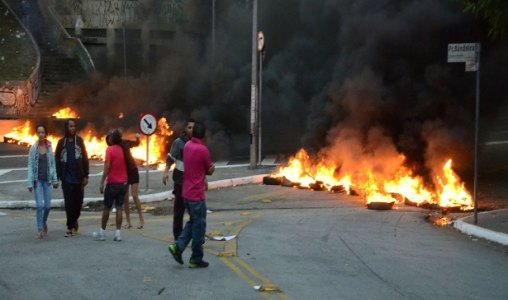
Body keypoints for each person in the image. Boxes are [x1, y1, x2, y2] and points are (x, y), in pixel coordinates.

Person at [168, 122, 215, 268]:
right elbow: (209, 169)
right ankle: (196, 257)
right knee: (199, 226)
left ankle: (178, 247)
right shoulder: (203, 150)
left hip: (186, 192)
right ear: (204, 135)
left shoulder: (187, 146)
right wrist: (212, 168)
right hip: (196, 194)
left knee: (193, 222)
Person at [55, 119, 89, 237]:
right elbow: (57, 160)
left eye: (74, 126)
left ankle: (74, 220)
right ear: (66, 128)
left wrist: (86, 175)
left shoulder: (79, 141)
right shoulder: (61, 143)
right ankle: (69, 227)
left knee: (78, 203)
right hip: (67, 179)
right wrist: (58, 175)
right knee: (69, 204)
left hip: (78, 178)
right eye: (70, 126)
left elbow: (85, 158)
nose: (73, 128)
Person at [163, 119, 194, 241]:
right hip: (180, 181)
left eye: (194, 128)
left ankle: (194, 235)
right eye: (190, 127)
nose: (192, 130)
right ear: (185, 129)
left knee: (194, 212)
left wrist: (204, 180)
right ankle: (178, 237)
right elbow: (171, 158)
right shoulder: (178, 143)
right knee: (179, 211)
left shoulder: (196, 143)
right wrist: (165, 172)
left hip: (192, 182)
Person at [94, 129, 128, 241]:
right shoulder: (123, 150)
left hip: (112, 184)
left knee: (107, 208)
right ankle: (118, 234)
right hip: (123, 184)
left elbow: (107, 167)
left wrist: (102, 181)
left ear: (113, 139)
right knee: (119, 208)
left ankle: (102, 233)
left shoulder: (109, 150)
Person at [27, 124, 59, 239]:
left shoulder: (50, 147)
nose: (41, 134)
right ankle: (40, 230)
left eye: (43, 132)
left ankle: (44, 222)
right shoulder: (33, 148)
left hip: (48, 181)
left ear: (46, 134)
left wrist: (55, 180)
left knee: (47, 206)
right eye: (39, 132)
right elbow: (30, 165)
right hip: (37, 181)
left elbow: (53, 164)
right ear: (36, 134)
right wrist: (30, 183)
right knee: (39, 206)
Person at [123, 133, 144, 229]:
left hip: (133, 170)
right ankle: (128, 221)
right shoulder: (114, 148)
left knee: (135, 196)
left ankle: (141, 220)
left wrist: (137, 138)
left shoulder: (125, 142)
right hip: (124, 173)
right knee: (125, 198)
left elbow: (136, 143)